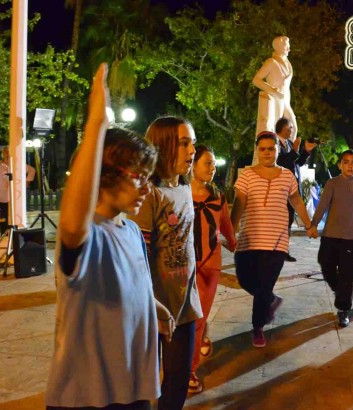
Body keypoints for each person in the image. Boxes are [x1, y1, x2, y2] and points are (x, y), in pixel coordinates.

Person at [46, 63, 172, 410]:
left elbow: (132, 284)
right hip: (87, 397)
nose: (147, 188)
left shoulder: (131, 230)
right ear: (103, 174)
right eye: (138, 176)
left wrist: (154, 306)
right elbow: (73, 225)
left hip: (132, 388)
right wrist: (96, 128)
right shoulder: (89, 235)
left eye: (149, 177)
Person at [128, 116, 203, 410]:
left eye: (192, 143)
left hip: (185, 305)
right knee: (142, 385)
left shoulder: (184, 188)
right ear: (162, 146)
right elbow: (139, 256)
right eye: (184, 143)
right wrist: (150, 305)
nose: (192, 151)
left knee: (178, 379)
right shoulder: (149, 194)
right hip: (153, 307)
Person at [231, 131, 315, 348]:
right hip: (248, 239)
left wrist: (309, 225)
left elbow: (297, 201)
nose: (267, 153)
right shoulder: (246, 175)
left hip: (276, 241)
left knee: (264, 285)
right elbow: (239, 202)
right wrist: (230, 230)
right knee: (244, 279)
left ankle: (258, 327)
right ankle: (270, 300)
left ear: (278, 150)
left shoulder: (287, 175)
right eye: (262, 149)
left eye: (271, 148)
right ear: (257, 151)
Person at [187, 145, 236, 394]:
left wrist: (234, 243)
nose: (213, 168)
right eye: (208, 163)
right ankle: (202, 335)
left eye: (214, 164)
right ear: (192, 165)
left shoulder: (218, 195)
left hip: (210, 263)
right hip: (184, 266)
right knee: (190, 318)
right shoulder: (179, 195)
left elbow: (225, 223)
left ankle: (190, 370)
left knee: (196, 318)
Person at [308, 150, 353, 327]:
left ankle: (344, 309)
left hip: (351, 237)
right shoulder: (332, 183)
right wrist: (313, 225)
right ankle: (341, 291)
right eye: (346, 162)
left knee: (347, 273)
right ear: (339, 165)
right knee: (325, 263)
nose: (350, 166)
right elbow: (322, 205)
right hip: (330, 234)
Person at [275, 117, 317, 261]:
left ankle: (284, 250)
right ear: (284, 128)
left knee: (289, 218)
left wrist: (306, 151)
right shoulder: (274, 143)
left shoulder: (288, 143)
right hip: (279, 188)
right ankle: (275, 250)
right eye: (291, 128)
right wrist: (294, 151)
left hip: (291, 186)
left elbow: (297, 163)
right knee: (280, 219)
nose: (292, 130)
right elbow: (280, 163)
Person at [253, 36, 298, 137]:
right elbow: (256, 80)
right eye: (286, 46)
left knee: (293, 129)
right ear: (278, 47)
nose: (289, 49)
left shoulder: (288, 63)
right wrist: (273, 91)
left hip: (286, 101)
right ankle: (273, 146)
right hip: (275, 99)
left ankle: (288, 148)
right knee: (275, 129)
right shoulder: (271, 62)